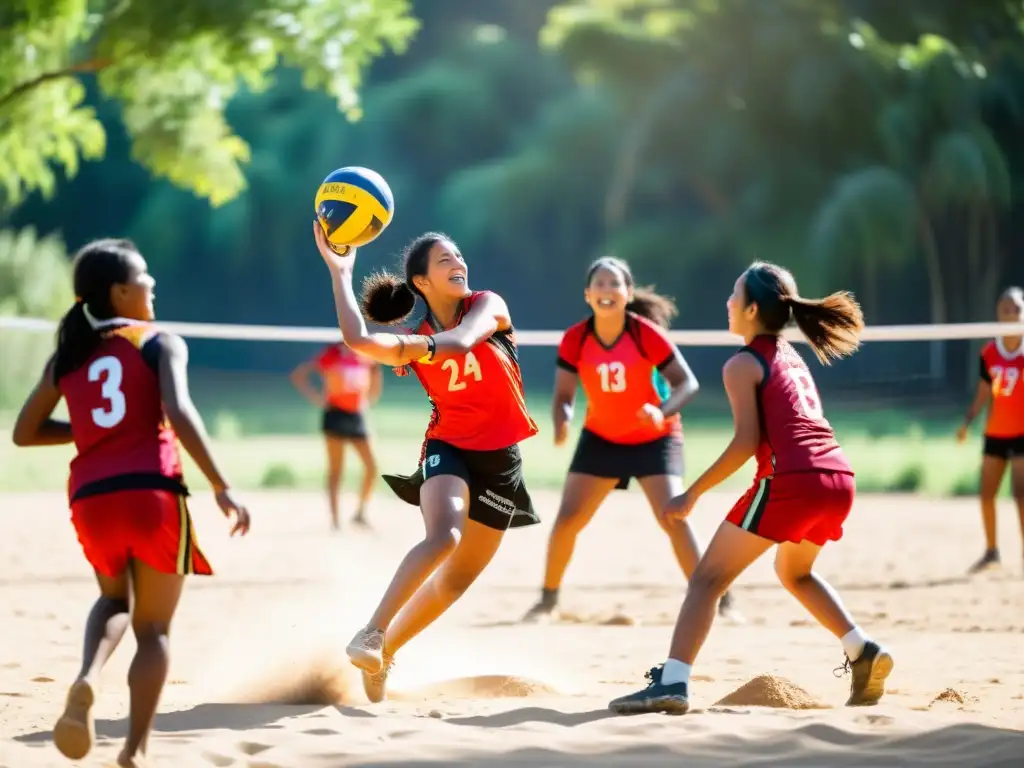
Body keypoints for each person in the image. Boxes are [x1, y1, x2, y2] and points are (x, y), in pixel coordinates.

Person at [608, 261, 891, 715]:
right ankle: (863, 650)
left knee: (706, 578)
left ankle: (673, 682)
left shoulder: (743, 363)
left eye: (735, 295)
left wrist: (691, 493)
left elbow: (745, 443)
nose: (728, 303)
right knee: (794, 573)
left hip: (793, 481)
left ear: (753, 308)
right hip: (838, 479)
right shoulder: (790, 356)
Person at [11, 239, 250, 767]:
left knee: (114, 600)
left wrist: (95, 432)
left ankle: (87, 678)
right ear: (120, 292)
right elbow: (180, 411)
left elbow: (23, 433)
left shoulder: (70, 354)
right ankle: (134, 751)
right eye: (144, 277)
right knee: (155, 630)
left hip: (91, 498)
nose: (152, 285)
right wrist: (221, 483)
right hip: (151, 491)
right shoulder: (159, 341)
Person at [312, 222, 539, 703]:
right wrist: (340, 271)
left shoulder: (487, 306)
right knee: (444, 537)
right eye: (444, 261)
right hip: (448, 446)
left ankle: (385, 653)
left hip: (501, 460)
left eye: (459, 256)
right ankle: (371, 633)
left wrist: (414, 349)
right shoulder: (416, 337)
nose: (458, 264)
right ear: (421, 282)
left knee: (457, 579)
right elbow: (357, 339)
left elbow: (462, 341)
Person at [521, 257, 738, 623]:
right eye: (600, 285)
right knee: (567, 521)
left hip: (654, 438)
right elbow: (563, 395)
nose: (607, 291)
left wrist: (661, 411)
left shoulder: (643, 333)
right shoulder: (576, 338)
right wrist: (563, 418)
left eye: (614, 284)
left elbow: (687, 383)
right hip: (602, 438)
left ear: (628, 293)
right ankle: (547, 601)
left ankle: (719, 601)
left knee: (673, 517)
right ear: (588, 295)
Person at [956, 286, 1024, 573]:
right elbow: (983, 393)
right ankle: (992, 551)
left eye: (1015, 309)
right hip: (995, 432)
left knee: (1021, 497)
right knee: (986, 495)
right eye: (1004, 309)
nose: (1009, 314)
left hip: (1022, 434)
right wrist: (967, 423)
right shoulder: (989, 352)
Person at [291, 342, 382, 529]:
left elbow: (375, 372)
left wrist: (370, 397)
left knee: (372, 467)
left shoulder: (365, 352)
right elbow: (300, 374)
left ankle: (360, 513)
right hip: (335, 414)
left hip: (357, 415)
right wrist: (317, 398)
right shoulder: (332, 354)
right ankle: (335, 520)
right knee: (336, 469)